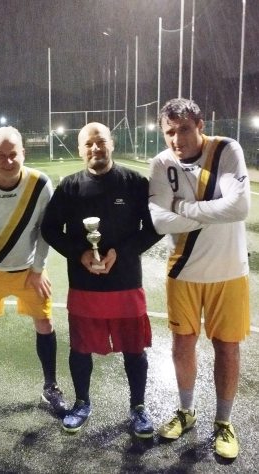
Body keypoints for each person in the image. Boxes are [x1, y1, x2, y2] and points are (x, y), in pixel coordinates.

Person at [41, 122, 161, 438]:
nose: (95, 148)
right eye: (88, 144)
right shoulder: (69, 187)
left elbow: (153, 228)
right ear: (81, 150)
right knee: (81, 348)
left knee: (134, 348)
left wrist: (120, 253)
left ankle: (138, 407)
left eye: (101, 142)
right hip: (84, 284)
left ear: (111, 143)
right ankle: (81, 403)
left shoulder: (135, 183)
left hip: (126, 282)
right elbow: (50, 229)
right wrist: (79, 253)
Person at [149, 98, 250, 459]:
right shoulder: (161, 163)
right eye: (170, 132)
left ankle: (223, 422)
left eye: (184, 129)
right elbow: (160, 221)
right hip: (183, 271)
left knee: (227, 348)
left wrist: (183, 207)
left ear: (201, 125)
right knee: (182, 346)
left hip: (229, 271)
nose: (177, 139)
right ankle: (186, 411)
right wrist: (214, 212)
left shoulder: (226, 150)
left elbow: (239, 207)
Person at [0, 126, 66, 421]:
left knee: (44, 322)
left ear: (23, 153)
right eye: (0, 155)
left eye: (13, 154)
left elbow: (46, 230)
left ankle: (51, 386)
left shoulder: (40, 183)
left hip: (29, 271)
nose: (7, 161)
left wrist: (38, 269)